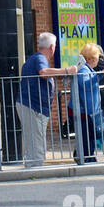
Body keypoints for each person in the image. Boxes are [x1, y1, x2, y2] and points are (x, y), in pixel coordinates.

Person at [17, 33, 75, 169]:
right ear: (51, 47)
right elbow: (43, 73)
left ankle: (34, 167)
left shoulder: (35, 59)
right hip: (33, 106)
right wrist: (67, 70)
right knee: (36, 141)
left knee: (35, 140)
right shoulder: (40, 58)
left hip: (33, 106)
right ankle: (36, 170)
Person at [69, 42, 104, 164]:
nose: (98, 61)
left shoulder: (87, 69)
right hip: (85, 110)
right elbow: (85, 85)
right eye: (97, 58)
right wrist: (99, 75)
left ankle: (88, 156)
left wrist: (98, 75)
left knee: (90, 135)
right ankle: (86, 157)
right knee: (87, 135)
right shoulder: (83, 69)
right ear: (92, 58)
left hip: (89, 110)